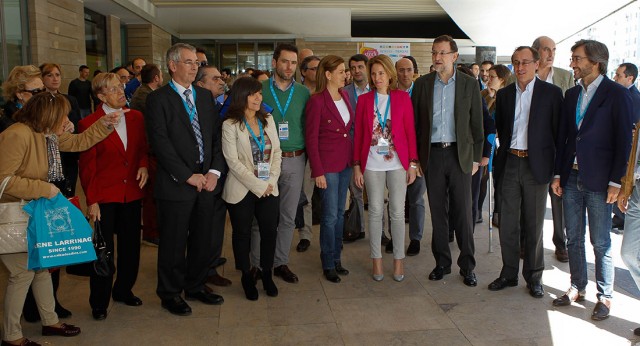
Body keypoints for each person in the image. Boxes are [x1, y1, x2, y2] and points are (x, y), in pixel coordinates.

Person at [0, 92, 121, 346]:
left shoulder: (48, 135)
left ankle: (50, 321)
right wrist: (44, 189)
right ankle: (11, 336)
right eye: (62, 115)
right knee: (22, 275)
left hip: (35, 212)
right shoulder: (17, 134)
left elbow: (79, 142)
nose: (67, 119)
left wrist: (104, 124)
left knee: (42, 269)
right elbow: (3, 180)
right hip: (17, 214)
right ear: (47, 115)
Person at [551, 39, 633, 321]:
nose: (572, 63)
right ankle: (577, 287)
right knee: (573, 238)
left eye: (577, 58)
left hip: (600, 181)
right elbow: (564, 137)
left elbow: (624, 142)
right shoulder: (572, 95)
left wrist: (616, 181)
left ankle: (605, 296)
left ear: (595, 62)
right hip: (571, 177)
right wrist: (559, 173)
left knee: (600, 242)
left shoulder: (616, 94)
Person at [145, 43, 225, 316]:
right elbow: (161, 144)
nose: (194, 67)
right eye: (189, 62)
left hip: (206, 183)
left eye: (196, 63)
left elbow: (215, 138)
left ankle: (195, 285)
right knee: (173, 243)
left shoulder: (204, 97)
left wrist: (214, 172)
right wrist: (188, 175)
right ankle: (170, 293)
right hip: (176, 184)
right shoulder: (158, 100)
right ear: (172, 65)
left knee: (203, 239)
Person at [488, 46, 562, 298]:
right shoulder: (505, 94)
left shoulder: (552, 94)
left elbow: (557, 134)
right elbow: (500, 128)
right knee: (507, 223)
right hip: (510, 162)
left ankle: (534, 277)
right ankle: (508, 273)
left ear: (537, 64)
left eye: (525, 63)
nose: (520, 68)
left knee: (533, 224)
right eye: (515, 63)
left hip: (536, 167)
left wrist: (556, 172)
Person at [412, 35, 484, 287]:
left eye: (442, 53)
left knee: (463, 212)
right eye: (434, 53)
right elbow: (416, 126)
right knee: (438, 212)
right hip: (432, 155)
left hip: (460, 155)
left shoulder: (468, 84)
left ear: (455, 56)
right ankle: (442, 263)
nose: (437, 58)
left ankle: (467, 266)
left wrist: (476, 158)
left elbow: (477, 123)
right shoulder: (422, 85)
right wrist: (415, 159)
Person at [78, 72, 149, 320]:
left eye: (121, 88)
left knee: (131, 248)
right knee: (102, 250)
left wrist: (143, 165)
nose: (121, 92)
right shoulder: (89, 123)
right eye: (114, 89)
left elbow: (142, 148)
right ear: (100, 95)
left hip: (131, 192)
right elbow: (88, 167)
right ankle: (99, 301)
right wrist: (92, 200)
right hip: (105, 196)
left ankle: (123, 290)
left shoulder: (136, 118)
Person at [353, 54, 418, 282]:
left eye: (381, 73)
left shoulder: (401, 98)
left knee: (398, 212)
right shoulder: (363, 101)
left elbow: (410, 132)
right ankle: (376, 259)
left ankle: (399, 260)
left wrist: (412, 163)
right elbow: (359, 135)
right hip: (371, 163)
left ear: (390, 74)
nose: (377, 77)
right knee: (376, 212)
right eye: (373, 73)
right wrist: (357, 166)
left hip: (398, 163)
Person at [251, 43, 310, 284]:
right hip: (264, 161)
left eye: (294, 63)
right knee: (261, 217)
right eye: (285, 61)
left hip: (295, 160)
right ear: (274, 62)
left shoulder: (304, 93)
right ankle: (255, 264)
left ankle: (280, 263)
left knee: (287, 216)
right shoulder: (259, 89)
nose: (289, 67)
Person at [222, 77, 281, 300]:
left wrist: (271, 182)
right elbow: (233, 162)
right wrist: (259, 186)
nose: (259, 98)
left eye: (260, 93)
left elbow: (277, 153)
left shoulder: (268, 119)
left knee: (269, 232)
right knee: (242, 234)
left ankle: (267, 274)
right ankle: (246, 275)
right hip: (241, 189)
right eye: (253, 94)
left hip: (269, 186)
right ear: (241, 96)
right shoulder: (230, 125)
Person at [305, 55, 354, 283]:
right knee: (329, 215)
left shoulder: (344, 96)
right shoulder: (316, 101)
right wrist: (318, 171)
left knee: (340, 214)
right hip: (327, 166)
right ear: (328, 74)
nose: (346, 75)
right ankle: (328, 262)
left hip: (344, 163)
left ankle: (336, 258)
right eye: (342, 71)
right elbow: (311, 138)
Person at [532, 36, 575, 263]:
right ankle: (529, 242)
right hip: (532, 149)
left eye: (554, 50)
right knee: (530, 200)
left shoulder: (565, 76)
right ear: (536, 52)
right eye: (547, 49)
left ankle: (561, 243)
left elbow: (570, 111)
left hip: (557, 148)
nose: (551, 54)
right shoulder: (524, 73)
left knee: (558, 199)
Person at [194, 65, 232, 287]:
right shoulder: (197, 107)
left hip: (219, 173)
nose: (221, 81)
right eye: (215, 78)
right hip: (202, 177)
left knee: (217, 222)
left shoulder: (219, 103)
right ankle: (204, 269)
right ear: (200, 84)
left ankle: (211, 261)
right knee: (205, 226)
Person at [393, 57, 424, 256]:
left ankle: (415, 238)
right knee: (394, 200)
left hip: (418, 155)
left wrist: (419, 159)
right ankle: (394, 236)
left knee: (416, 198)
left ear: (414, 71)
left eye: (409, 70)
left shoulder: (422, 91)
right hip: (394, 155)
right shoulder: (391, 94)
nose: (405, 74)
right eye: (401, 70)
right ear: (396, 72)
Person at [478, 64, 511, 226]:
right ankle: (477, 210)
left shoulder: (509, 95)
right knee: (482, 178)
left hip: (503, 144)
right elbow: (482, 117)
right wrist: (490, 97)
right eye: (487, 75)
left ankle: (498, 211)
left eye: (492, 77)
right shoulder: (483, 94)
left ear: (502, 80)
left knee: (501, 179)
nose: (487, 79)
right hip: (487, 142)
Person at [343, 54, 370, 241]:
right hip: (353, 149)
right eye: (353, 68)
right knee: (356, 192)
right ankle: (359, 228)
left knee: (379, 196)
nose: (357, 71)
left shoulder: (378, 90)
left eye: (360, 67)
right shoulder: (343, 92)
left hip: (376, 149)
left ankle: (382, 232)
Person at [611, 62, 640, 232]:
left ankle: (621, 219)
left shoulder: (634, 98)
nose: (615, 78)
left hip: (627, 152)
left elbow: (632, 128)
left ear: (630, 78)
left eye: (619, 75)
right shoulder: (620, 94)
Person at [1, 65, 45, 132]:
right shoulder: (8, 121)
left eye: (43, 90)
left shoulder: (44, 111)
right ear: (19, 94)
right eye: (36, 92)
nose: (42, 95)